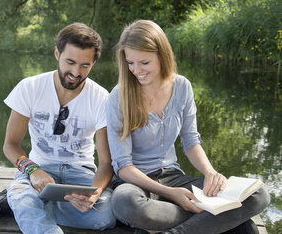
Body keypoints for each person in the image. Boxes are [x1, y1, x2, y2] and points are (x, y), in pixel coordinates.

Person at [106, 19, 270, 234]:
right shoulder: (118, 96)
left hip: (173, 176)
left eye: (144, 63)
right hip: (136, 185)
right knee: (125, 203)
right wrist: (171, 193)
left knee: (259, 194)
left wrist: (210, 173)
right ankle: (214, 219)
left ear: (162, 56)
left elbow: (191, 140)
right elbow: (123, 167)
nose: (136, 70)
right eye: (130, 63)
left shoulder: (182, 86)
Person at [0, 22, 116, 234]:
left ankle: (17, 203)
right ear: (57, 53)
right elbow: (10, 145)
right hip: (38, 168)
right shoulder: (30, 87)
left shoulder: (102, 97)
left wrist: (94, 194)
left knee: (107, 215)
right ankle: (23, 201)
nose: (76, 73)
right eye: (70, 62)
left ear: (93, 63)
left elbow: (105, 163)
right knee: (24, 195)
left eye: (85, 66)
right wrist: (33, 170)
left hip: (81, 173)